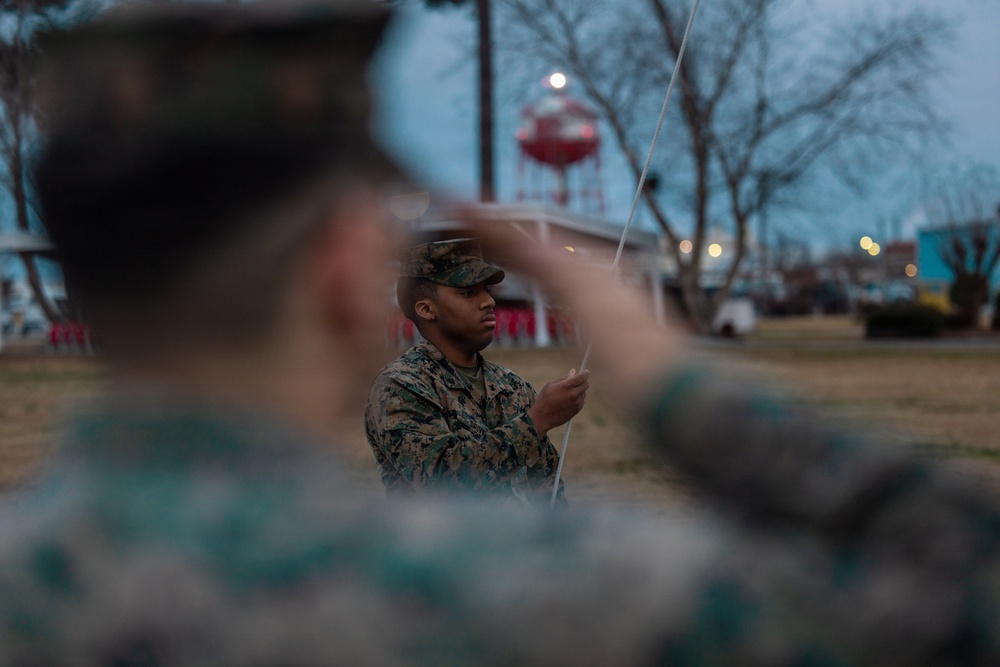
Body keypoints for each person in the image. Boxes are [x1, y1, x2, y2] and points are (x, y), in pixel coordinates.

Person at [2, 2, 1000, 665]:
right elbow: (965, 585)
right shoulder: (560, 594)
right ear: (350, 272)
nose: (487, 301)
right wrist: (670, 379)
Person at [364, 237, 589, 506]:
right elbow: (445, 482)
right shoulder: (400, 386)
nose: (488, 302)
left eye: (487, 290)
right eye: (468, 292)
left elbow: (547, 491)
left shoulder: (512, 386)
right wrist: (538, 419)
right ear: (426, 309)